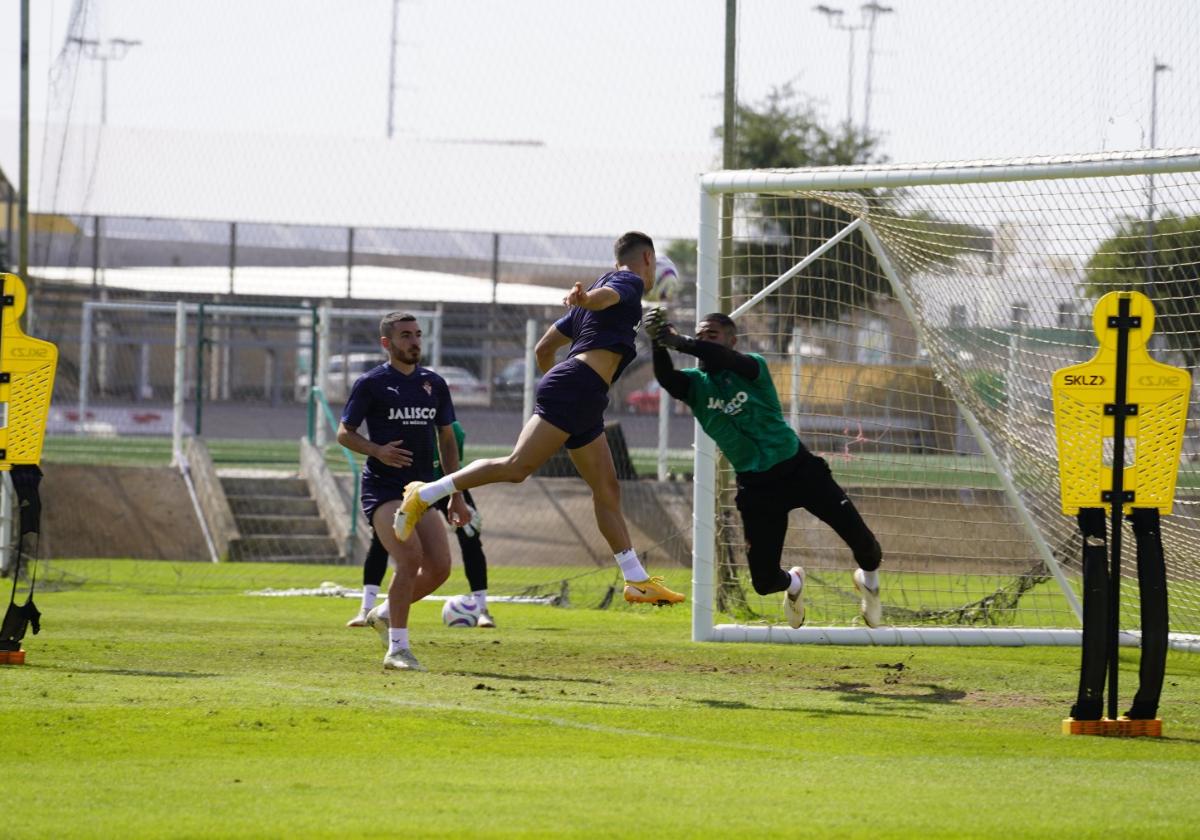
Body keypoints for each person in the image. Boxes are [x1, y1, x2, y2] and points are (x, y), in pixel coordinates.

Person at [392, 231, 685, 606]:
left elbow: (544, 347)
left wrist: (562, 376)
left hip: (582, 394)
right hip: (577, 388)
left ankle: (636, 580)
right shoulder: (625, 280)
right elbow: (604, 298)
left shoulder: (599, 297)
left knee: (607, 488)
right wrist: (585, 314)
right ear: (648, 259)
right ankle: (425, 492)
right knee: (516, 467)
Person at [644, 309, 883, 628]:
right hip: (756, 488)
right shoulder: (696, 386)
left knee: (865, 544)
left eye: (711, 335)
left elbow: (721, 357)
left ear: (732, 341)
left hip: (799, 470)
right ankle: (794, 584)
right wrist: (658, 343)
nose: (704, 341)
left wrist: (681, 341)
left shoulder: (753, 366)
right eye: (699, 336)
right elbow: (666, 379)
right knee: (764, 582)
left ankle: (869, 582)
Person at [336, 312, 471, 671]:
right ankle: (397, 648)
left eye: (417, 335)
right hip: (382, 488)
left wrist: (456, 494)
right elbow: (344, 433)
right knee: (409, 558)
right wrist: (377, 450)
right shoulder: (371, 384)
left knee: (440, 568)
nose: (414, 342)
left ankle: (383, 613)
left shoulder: (434, 384)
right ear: (387, 343)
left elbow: (447, 437)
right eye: (406, 336)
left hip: (422, 490)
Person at [345, 419, 495, 629]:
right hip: (411, 487)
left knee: (470, 536)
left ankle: (482, 610)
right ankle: (366, 609)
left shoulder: (452, 429)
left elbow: (454, 465)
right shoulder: (401, 422)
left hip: (444, 484)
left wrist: (458, 497)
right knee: (381, 541)